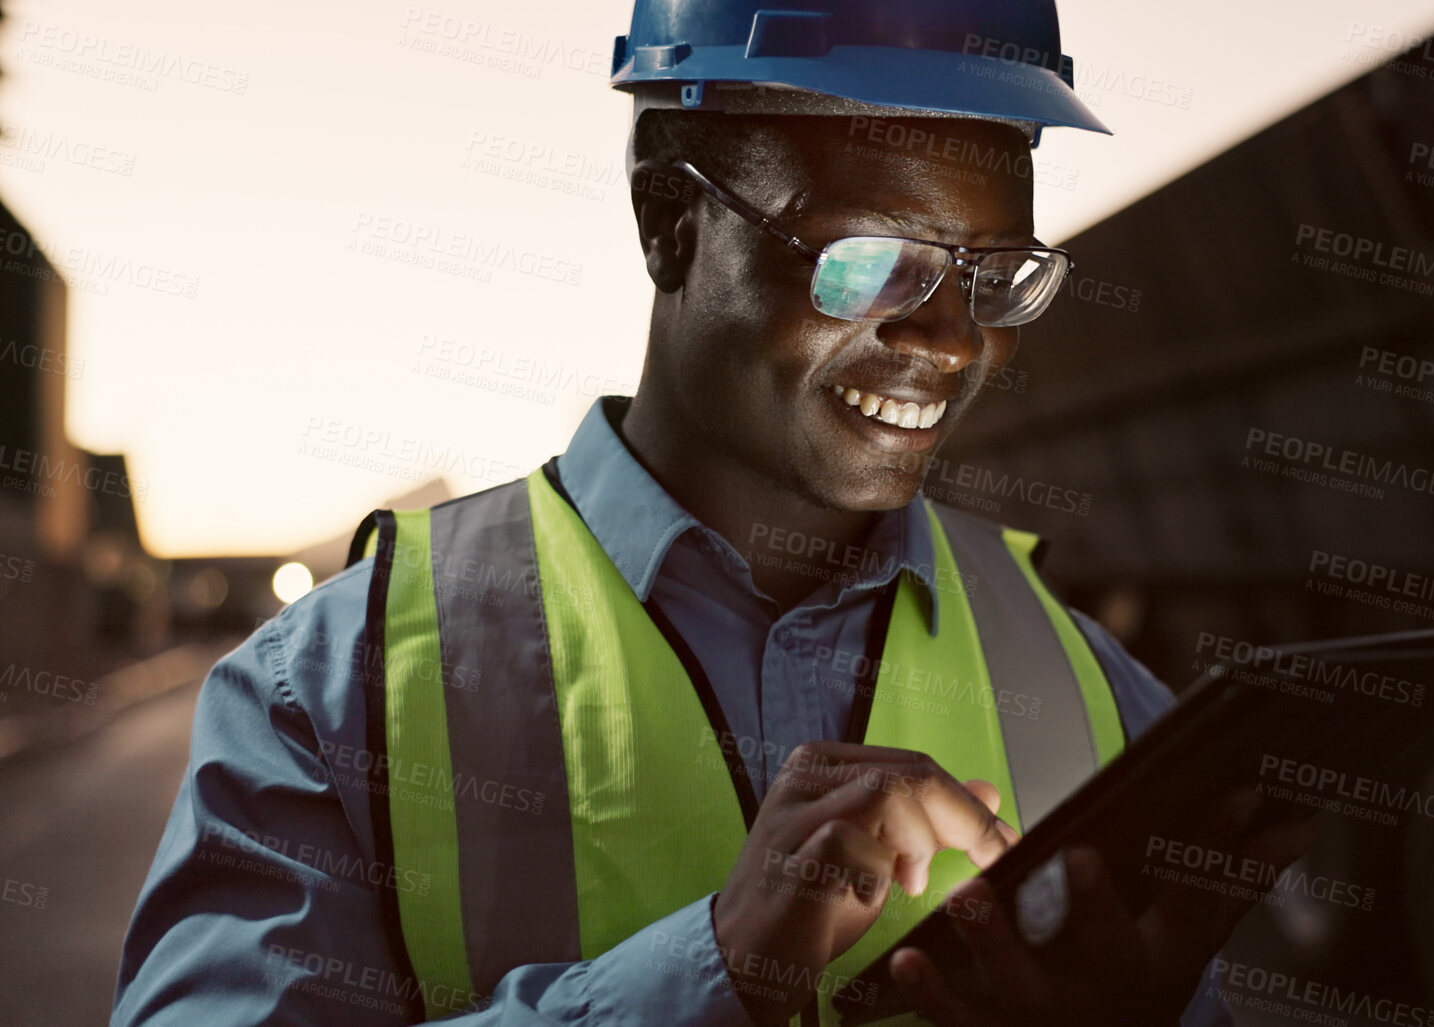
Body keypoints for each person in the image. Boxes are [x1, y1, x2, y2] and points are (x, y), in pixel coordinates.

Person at [112, 2, 1311, 1024]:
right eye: (873, 259)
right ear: (667, 223)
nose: (950, 340)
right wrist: (711, 972)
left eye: (993, 277)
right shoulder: (333, 691)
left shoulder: (1099, 692)